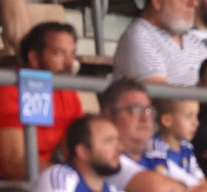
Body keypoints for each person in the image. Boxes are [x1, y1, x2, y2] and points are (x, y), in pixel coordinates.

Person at [0, 22, 82, 178]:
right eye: (59, 53)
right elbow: (15, 164)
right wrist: (68, 178)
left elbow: (76, 152)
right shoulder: (9, 88)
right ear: (34, 58)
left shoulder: (67, 90)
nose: (70, 63)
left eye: (72, 54)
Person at [31, 115, 123, 192]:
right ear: (82, 151)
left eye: (117, 140)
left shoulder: (114, 189)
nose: (120, 148)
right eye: (108, 141)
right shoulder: (59, 177)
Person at [139, 96, 207, 190]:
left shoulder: (186, 147)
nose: (196, 123)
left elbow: (202, 182)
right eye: (189, 117)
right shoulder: (155, 148)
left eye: (196, 116)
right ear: (167, 121)